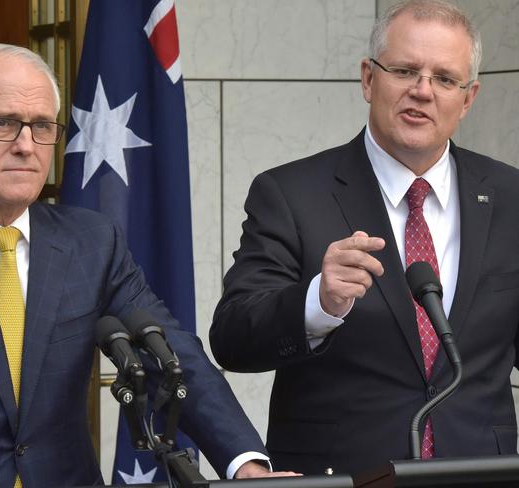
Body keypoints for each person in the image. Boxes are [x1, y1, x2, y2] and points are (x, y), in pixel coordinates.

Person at [0, 44, 295, 487]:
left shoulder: (92, 241)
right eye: (3, 124)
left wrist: (246, 463)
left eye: (41, 127)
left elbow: (172, 355)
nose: (26, 146)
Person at [210, 0, 519, 477]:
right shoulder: (291, 193)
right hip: (344, 475)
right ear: (368, 78)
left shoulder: (510, 196)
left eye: (444, 78)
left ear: (469, 97)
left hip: (480, 471)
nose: (422, 91)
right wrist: (319, 302)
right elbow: (232, 337)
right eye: (404, 70)